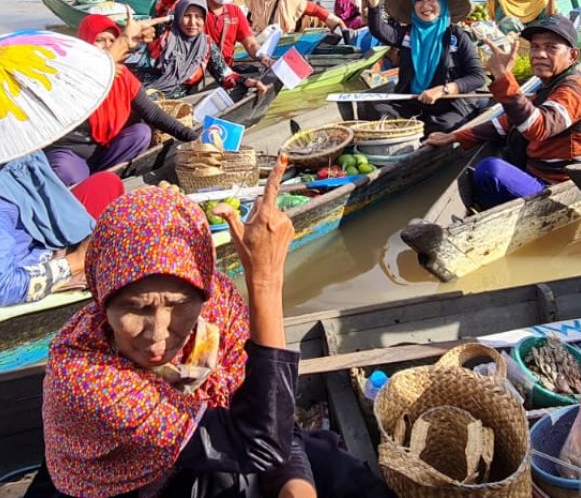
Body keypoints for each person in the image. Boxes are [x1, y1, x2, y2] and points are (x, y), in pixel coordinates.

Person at [33, 161, 391, 498]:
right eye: (135, 308)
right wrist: (265, 281)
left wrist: (295, 485)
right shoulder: (83, 373)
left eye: (178, 305)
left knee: (334, 470)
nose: (158, 333)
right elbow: (261, 444)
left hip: (214, 442)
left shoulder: (217, 304)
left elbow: (271, 422)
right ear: (101, 300)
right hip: (126, 486)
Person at [428, 15, 581, 209]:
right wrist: (454, 137)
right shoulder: (550, 87)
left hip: (568, 191)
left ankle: (492, 213)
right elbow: (505, 124)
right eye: (535, 47)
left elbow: (537, 128)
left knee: (490, 170)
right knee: (505, 146)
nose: (540, 54)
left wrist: (503, 77)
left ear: (572, 56)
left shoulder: (574, 89)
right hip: (544, 178)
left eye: (551, 47)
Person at [0, 152, 123, 321]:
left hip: (45, 247)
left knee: (106, 184)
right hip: (23, 278)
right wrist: (76, 261)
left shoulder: (16, 160)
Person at [45, 16, 200, 187]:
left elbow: (153, 113)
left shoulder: (123, 76)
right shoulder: (72, 75)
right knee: (65, 173)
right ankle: (87, 185)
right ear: (86, 43)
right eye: (100, 40)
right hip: (73, 153)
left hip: (106, 151)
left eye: (113, 40)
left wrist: (192, 137)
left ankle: (101, 180)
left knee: (141, 132)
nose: (108, 45)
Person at [362, 0, 486, 135]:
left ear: (442, 3)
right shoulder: (407, 34)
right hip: (413, 102)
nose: (425, 5)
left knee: (441, 127)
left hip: (450, 104)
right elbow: (378, 29)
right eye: (418, 0)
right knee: (376, 110)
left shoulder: (458, 37)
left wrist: (444, 90)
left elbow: (477, 77)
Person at [135, 0, 268, 100]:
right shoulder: (163, 33)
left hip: (176, 104)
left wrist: (248, 82)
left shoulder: (206, 45)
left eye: (198, 17)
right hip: (143, 95)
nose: (192, 22)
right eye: (186, 16)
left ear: (204, 19)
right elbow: (161, 5)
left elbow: (225, 76)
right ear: (178, 16)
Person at [154, 0, 272, 70]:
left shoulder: (234, 11)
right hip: (194, 71)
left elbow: (251, 44)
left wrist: (263, 56)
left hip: (225, 71)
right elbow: (162, 7)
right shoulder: (194, 9)